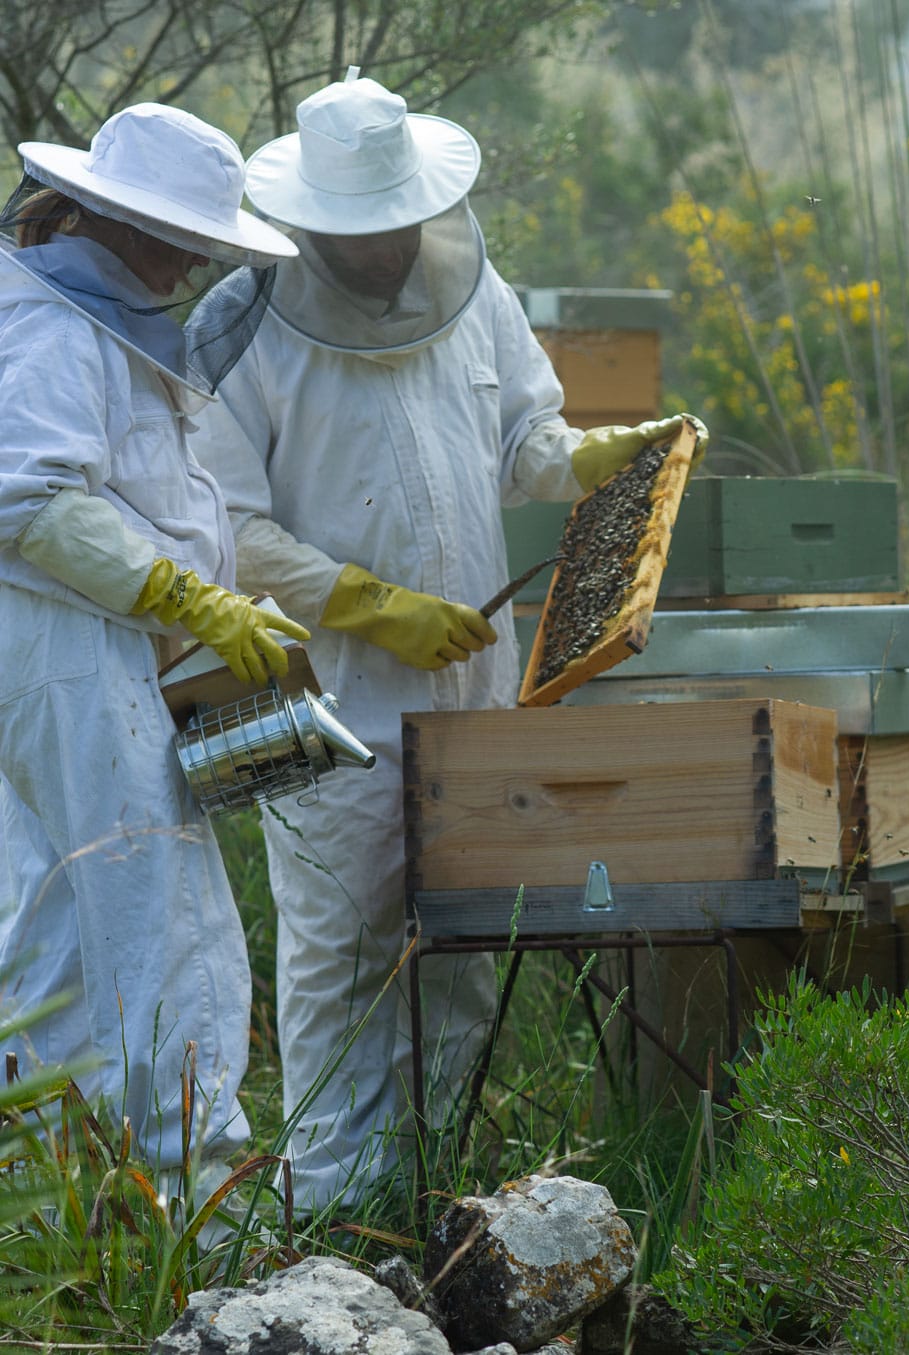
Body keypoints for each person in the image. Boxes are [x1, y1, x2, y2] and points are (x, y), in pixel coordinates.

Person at [188, 69, 708, 1216]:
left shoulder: (474, 287)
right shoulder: (239, 328)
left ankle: (443, 1197)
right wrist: (369, 600)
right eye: (361, 233)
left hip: (476, 694)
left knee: (468, 950)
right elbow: (222, 527)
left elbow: (526, 429)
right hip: (330, 702)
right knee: (343, 953)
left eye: (401, 225)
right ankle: (329, 1212)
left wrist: (586, 455)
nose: (387, 251)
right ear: (312, 221)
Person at [0, 103, 310, 1195]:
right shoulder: (48, 324)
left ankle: (61, 1209)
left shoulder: (76, 311)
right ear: (114, 219)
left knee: (57, 924)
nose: (192, 261)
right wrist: (190, 595)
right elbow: (29, 502)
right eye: (180, 235)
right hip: (72, 654)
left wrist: (196, 602)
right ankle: (206, 1208)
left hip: (77, 651)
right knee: (162, 916)